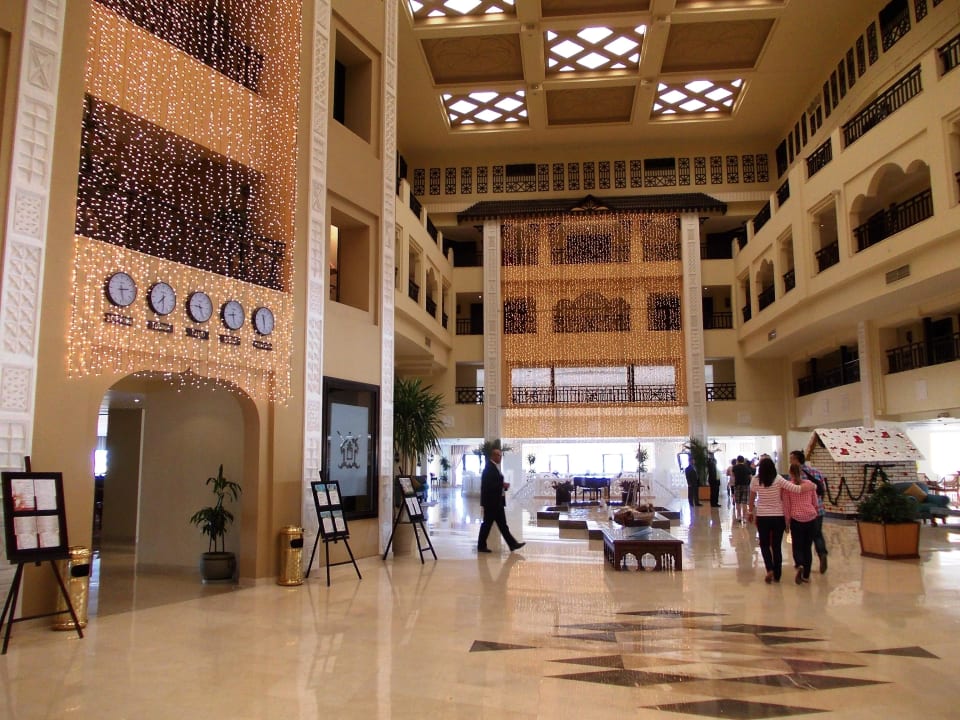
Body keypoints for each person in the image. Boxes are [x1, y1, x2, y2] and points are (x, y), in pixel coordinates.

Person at [747, 457, 808, 583]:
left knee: (764, 544)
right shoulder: (779, 479)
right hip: (778, 517)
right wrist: (810, 486)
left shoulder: (755, 480)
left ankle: (769, 569)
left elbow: (751, 498)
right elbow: (795, 488)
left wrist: (750, 512)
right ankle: (777, 574)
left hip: (763, 517)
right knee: (776, 546)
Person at [477, 447, 525, 553]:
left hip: (497, 501)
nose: (500, 457)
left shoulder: (494, 467)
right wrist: (502, 485)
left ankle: (512, 544)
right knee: (487, 524)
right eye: (498, 455)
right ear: (493, 456)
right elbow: (488, 485)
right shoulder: (489, 468)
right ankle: (481, 546)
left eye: (501, 455)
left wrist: (503, 486)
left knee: (502, 525)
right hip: (491, 502)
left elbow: (495, 483)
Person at [790, 449, 828, 573]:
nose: (790, 461)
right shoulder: (816, 472)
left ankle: (800, 562)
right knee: (817, 534)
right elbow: (823, 489)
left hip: (802, 512)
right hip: (819, 509)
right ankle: (822, 553)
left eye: (791, 459)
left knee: (802, 539)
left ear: (796, 460)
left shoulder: (797, 475)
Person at [782, 463, 820, 584]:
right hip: (811, 518)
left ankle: (799, 564)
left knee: (797, 546)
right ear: (801, 472)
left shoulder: (788, 487)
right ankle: (806, 575)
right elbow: (815, 502)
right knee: (807, 547)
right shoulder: (810, 485)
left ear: (790, 473)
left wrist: (787, 523)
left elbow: (786, 506)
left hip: (796, 519)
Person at [732, 456, 753, 524]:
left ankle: (738, 516)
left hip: (737, 485)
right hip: (746, 486)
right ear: (743, 461)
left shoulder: (734, 467)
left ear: (737, 461)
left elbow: (733, 476)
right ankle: (744, 518)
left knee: (737, 502)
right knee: (744, 502)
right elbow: (750, 477)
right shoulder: (746, 467)